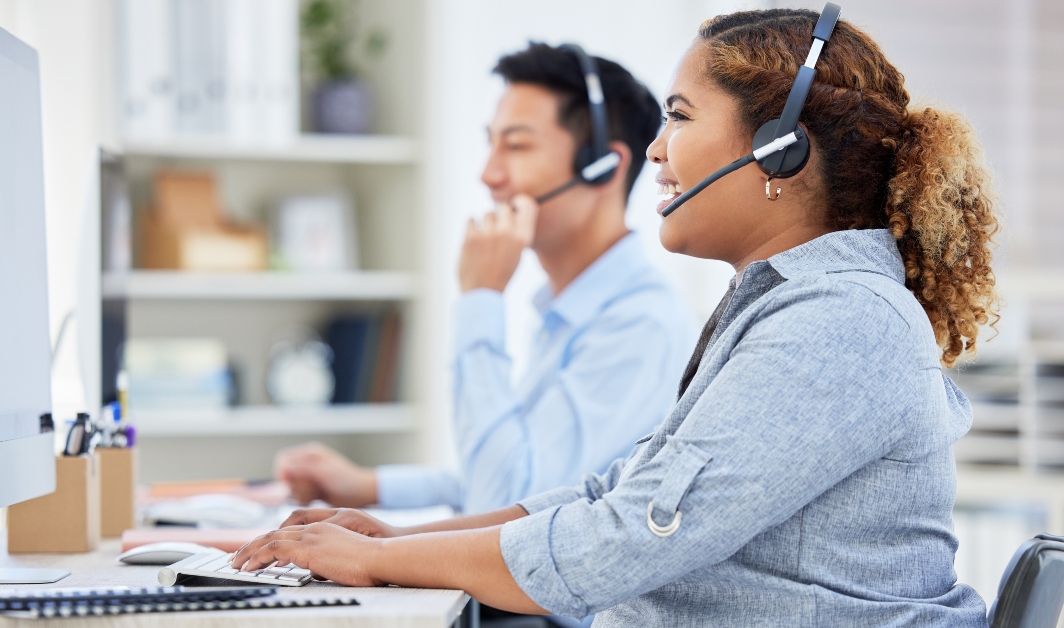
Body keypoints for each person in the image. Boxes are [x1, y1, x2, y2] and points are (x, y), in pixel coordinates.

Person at [232, 9, 1000, 626]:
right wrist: (400, 539)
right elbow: (613, 493)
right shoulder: (786, 306)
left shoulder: (841, 323)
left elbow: (623, 540)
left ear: (778, 151)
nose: (658, 151)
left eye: (680, 117)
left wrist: (382, 559)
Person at [274, 43, 696, 515]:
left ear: (604, 166)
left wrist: (481, 297)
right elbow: (509, 470)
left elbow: (508, 504)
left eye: (515, 146)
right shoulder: (575, 309)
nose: (488, 175)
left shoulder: (636, 326)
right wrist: (371, 486)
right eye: (490, 143)